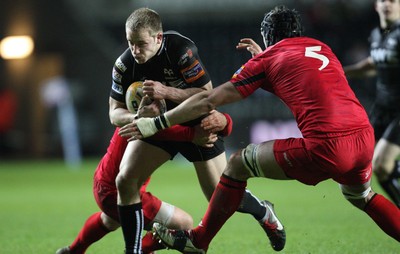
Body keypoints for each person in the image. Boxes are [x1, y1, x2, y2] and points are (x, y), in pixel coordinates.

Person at [121, 5, 400, 252]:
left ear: (268, 38)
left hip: (327, 146)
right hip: (364, 138)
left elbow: (208, 99)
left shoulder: (267, 59)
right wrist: (265, 64)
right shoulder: (321, 47)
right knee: (361, 196)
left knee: (237, 164)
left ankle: (199, 240)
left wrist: (157, 123)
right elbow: (296, 81)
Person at [111, 7, 284, 254]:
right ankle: (133, 251)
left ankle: (263, 211)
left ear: (158, 38)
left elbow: (207, 93)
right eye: (130, 43)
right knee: (125, 179)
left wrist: (167, 92)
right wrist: (137, 116)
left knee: (220, 198)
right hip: (160, 128)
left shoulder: (181, 51)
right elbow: (113, 112)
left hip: (198, 125)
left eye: (141, 43)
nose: (135, 51)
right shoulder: (125, 64)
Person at [343, 0, 400, 208]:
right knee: (359, 160)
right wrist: (343, 72)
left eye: (393, 1)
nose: (388, 4)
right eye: (383, 0)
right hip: (383, 108)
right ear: (376, 6)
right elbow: (373, 64)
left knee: (381, 166)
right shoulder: (377, 34)